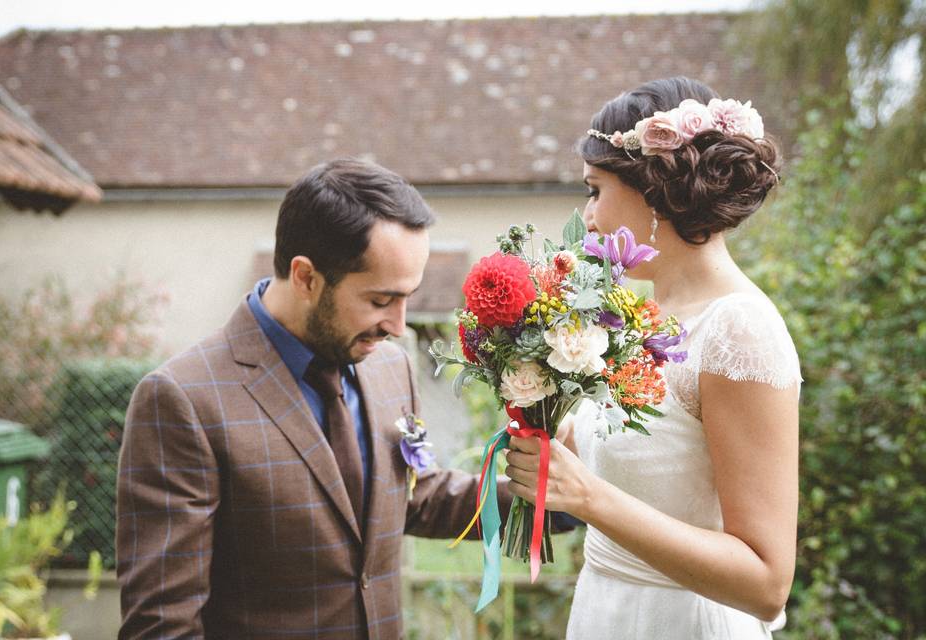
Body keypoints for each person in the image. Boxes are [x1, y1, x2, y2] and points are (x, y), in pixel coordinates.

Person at [116, 158, 503, 639]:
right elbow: (162, 627)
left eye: (408, 298)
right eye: (381, 301)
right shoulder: (182, 401)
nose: (399, 326)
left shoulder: (389, 367)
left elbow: (413, 497)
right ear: (304, 277)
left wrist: (551, 495)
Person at [505, 77, 802, 638]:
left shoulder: (738, 329)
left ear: (654, 189)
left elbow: (766, 583)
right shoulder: (647, 315)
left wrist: (588, 496)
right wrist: (556, 440)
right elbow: (661, 471)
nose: (586, 215)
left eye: (595, 189)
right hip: (607, 612)